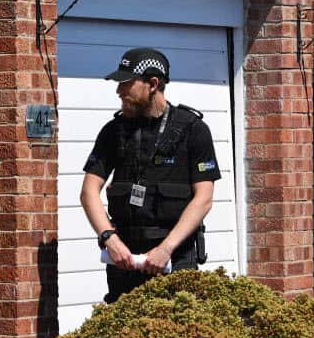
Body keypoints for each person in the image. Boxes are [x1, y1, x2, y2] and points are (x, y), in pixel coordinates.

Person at [80, 47, 219, 303]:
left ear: (153, 84)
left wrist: (165, 249)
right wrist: (109, 238)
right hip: (124, 262)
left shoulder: (192, 130)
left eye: (126, 84)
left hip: (173, 262)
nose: (119, 91)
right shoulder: (114, 131)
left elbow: (204, 198)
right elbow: (89, 191)